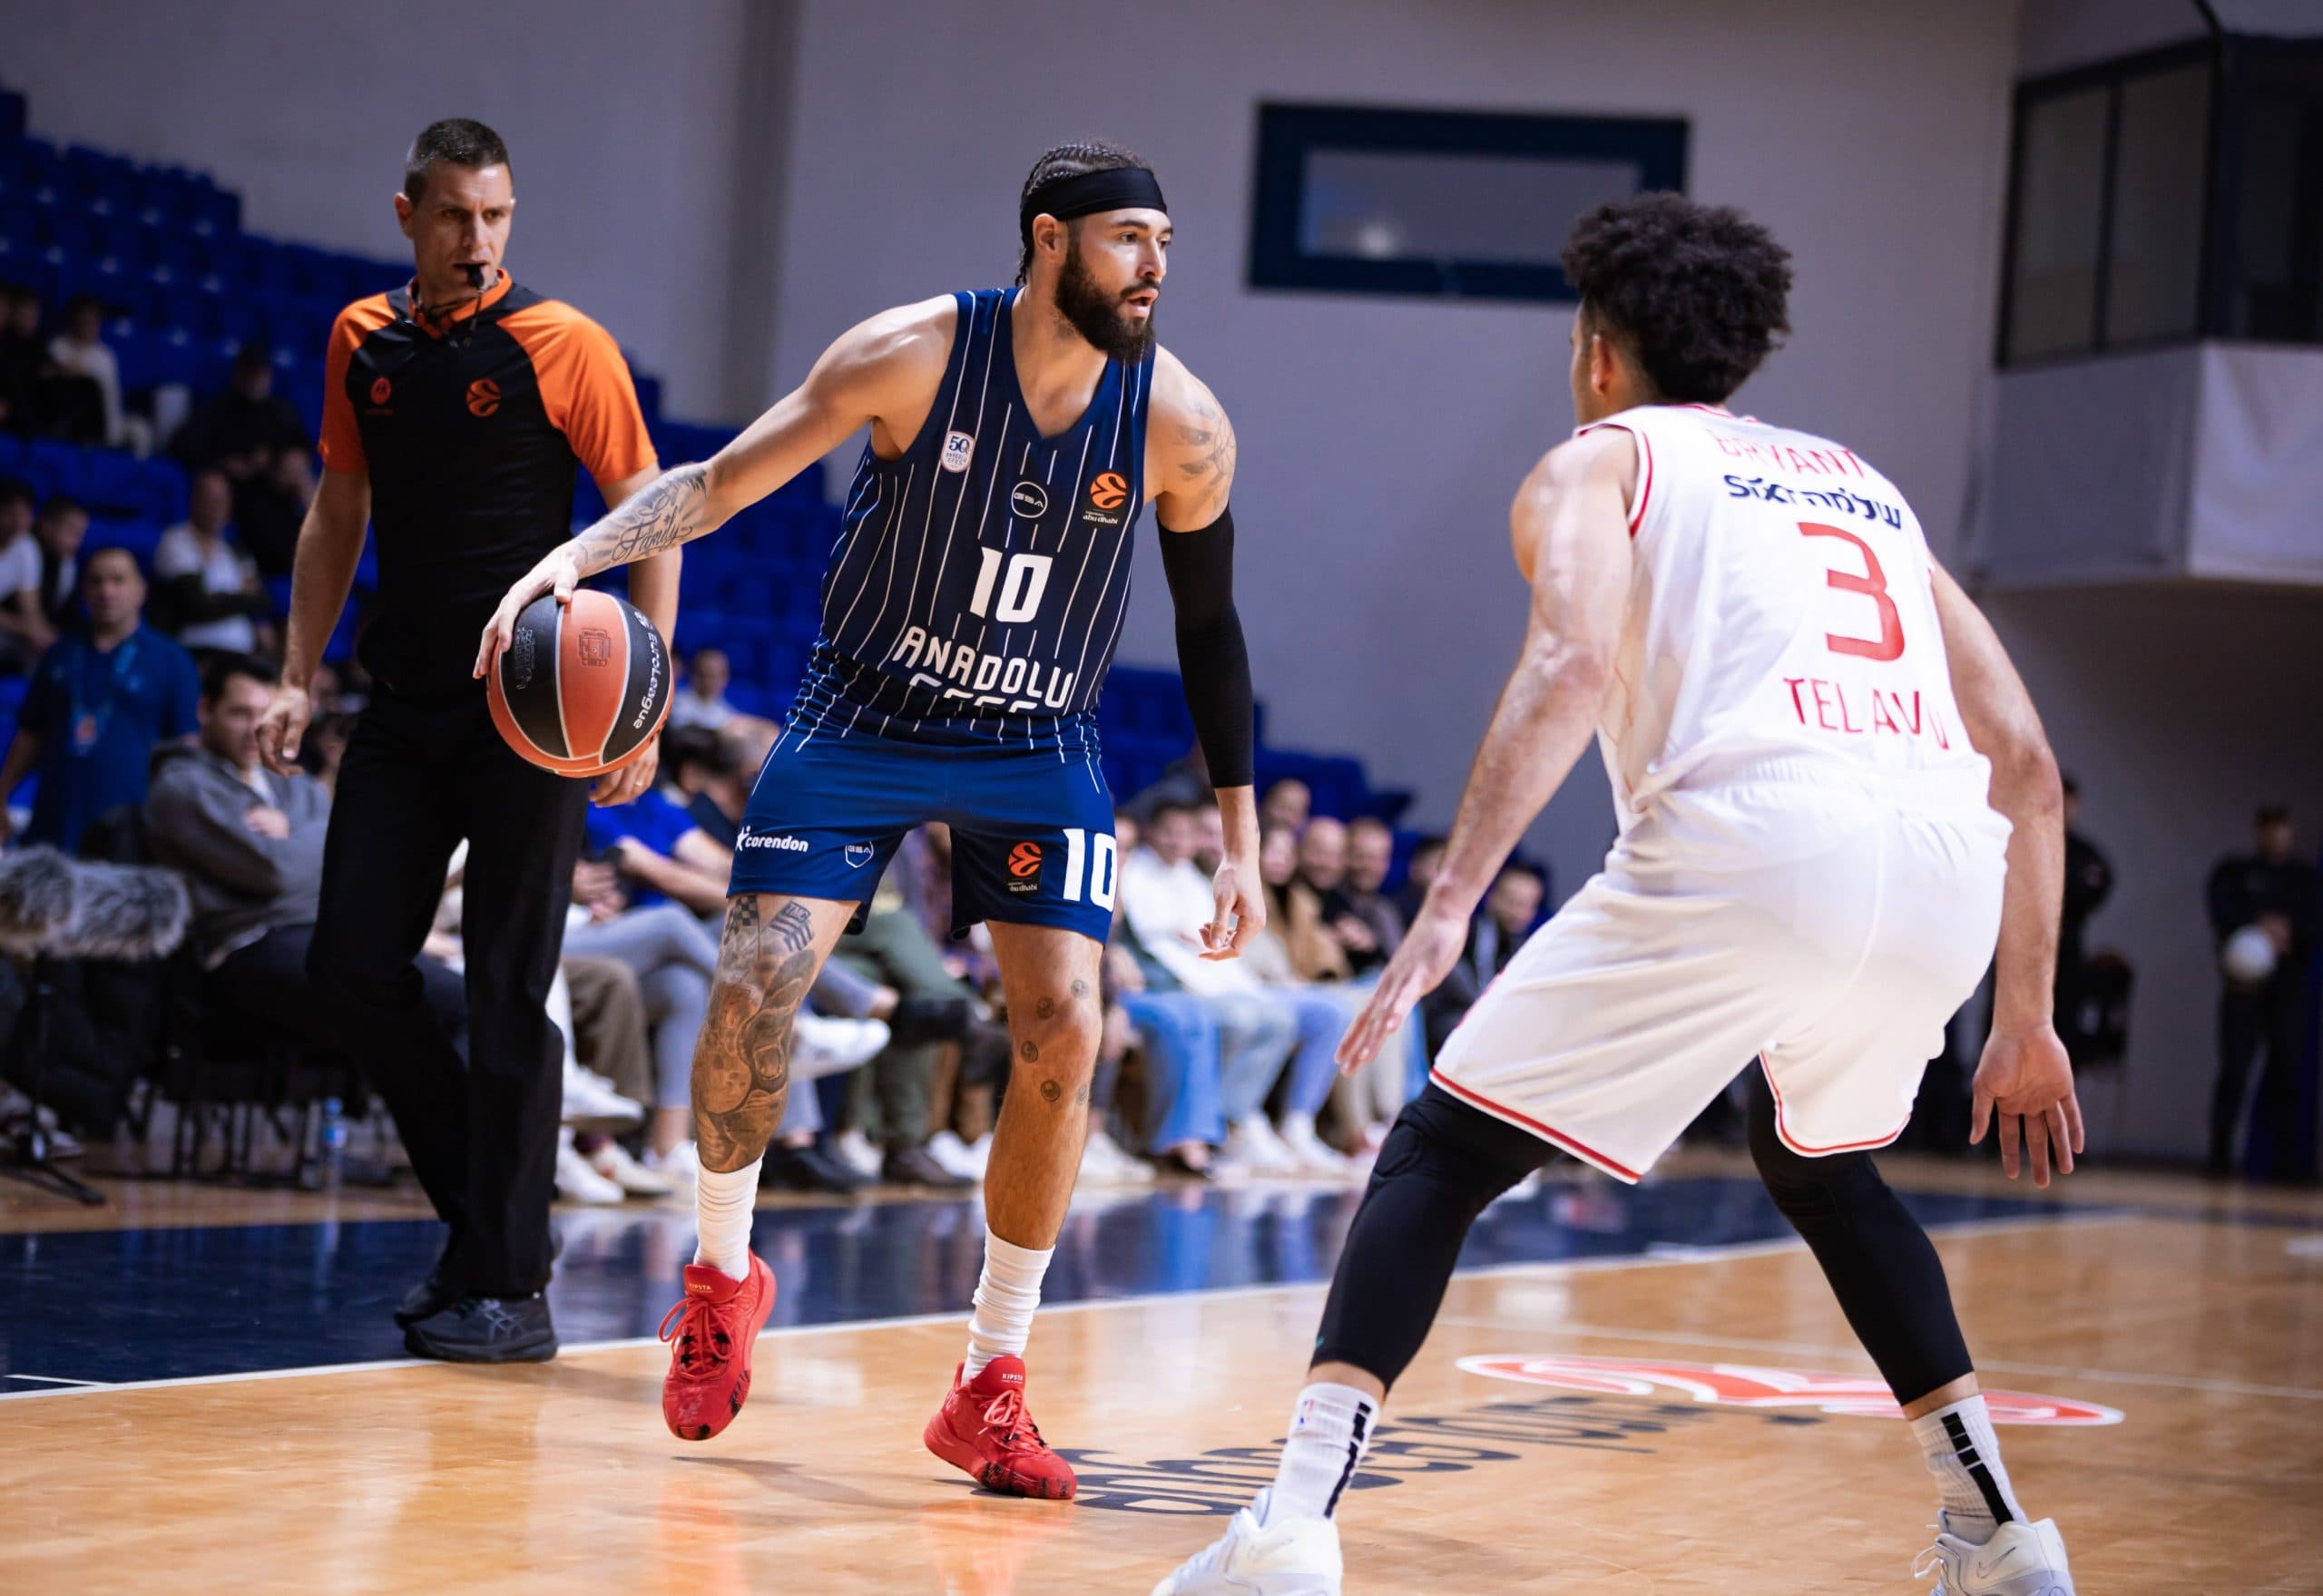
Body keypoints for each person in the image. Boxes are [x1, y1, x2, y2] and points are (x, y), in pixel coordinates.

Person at [1156, 194, 2084, 1595]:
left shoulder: (1604, 459)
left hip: (1763, 835)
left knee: (1438, 1152)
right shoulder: (1866, 485)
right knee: (1820, 1160)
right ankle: (2006, 1533)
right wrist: (2025, 1014)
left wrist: (1452, 895)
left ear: (1598, 351)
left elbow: (1570, 664)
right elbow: (2026, 762)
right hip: (1945, 868)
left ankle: (1287, 1530)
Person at [479, 140, 1260, 1494]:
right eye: (1131, 238)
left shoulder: (1181, 423)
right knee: (755, 982)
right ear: (1050, 239)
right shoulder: (910, 354)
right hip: (862, 717)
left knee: (1068, 1028)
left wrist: (1241, 836)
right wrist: (572, 554)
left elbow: (1210, 628)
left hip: (1037, 735)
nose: (1155, 268)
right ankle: (722, 1279)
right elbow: (718, 483)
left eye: (1168, 245)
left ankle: (990, 1379)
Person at [254, 118, 674, 1365]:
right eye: (454, 216)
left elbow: (653, 511)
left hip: (530, 722)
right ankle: (489, 1231)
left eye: (495, 215)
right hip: (402, 699)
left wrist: (640, 704)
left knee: (505, 993)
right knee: (345, 966)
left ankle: (506, 1284)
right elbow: (340, 509)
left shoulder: (563, 340)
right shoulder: (360, 339)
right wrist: (294, 672)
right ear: (407, 216)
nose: (477, 238)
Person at [146, 653, 466, 1052]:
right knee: (432, 1008)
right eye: (239, 713)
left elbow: (344, 861)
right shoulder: (181, 786)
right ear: (205, 710)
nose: (255, 728)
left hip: (321, 933)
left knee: (464, 1000)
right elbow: (275, 871)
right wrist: (320, 835)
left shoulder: (290, 781)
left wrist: (295, 834)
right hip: (247, 946)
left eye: (265, 714)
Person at [0, 547, 200, 852]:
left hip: (130, 830)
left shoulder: (172, 660)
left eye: (118, 581)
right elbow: (31, 734)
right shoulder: (59, 653)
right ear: (84, 590)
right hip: (54, 823)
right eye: (96, 581)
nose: (107, 591)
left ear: (140, 590)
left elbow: (187, 748)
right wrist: (3, 792)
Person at [2204, 805, 2318, 1179]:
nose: (2276, 836)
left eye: (2282, 828)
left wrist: (2290, 932)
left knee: (2287, 1069)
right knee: (2234, 1068)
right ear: (2259, 832)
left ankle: (2287, 1164)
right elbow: (2220, 910)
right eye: (2269, 828)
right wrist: (2256, 923)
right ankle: (2219, 1155)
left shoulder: (2304, 878)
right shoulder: (2236, 872)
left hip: (2288, 988)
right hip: (2244, 989)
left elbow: (2313, 922)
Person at [153, 468, 273, 657]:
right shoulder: (176, 541)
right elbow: (198, 606)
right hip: (196, 652)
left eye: (223, 500)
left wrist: (221, 597)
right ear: (194, 499)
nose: (217, 507)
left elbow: (263, 599)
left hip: (243, 654)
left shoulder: (234, 551)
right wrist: (243, 596)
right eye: (210, 499)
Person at [0, 478, 52, 671]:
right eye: (10, 514)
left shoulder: (27, 547)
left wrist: (41, 633)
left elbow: (30, 606)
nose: (18, 522)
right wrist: (26, 629)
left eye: (24, 514)